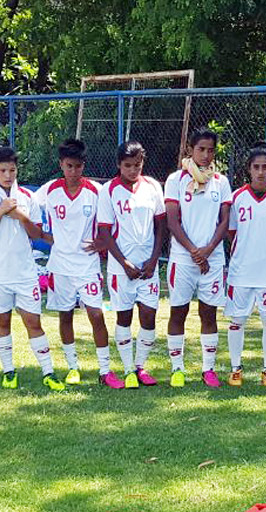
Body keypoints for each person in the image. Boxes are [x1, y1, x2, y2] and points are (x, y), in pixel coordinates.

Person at [0, 145, 63, 390]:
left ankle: (48, 372)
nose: (8, 175)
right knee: (2, 321)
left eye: (12, 170)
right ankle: (8, 371)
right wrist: (0, 213)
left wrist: (21, 215)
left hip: (25, 271)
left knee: (33, 321)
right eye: (3, 170)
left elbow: (37, 234)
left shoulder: (27, 196)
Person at [35, 139, 119, 388]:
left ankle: (105, 370)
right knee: (65, 316)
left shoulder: (97, 191)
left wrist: (103, 244)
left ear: (84, 166)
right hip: (60, 266)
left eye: (78, 166)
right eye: (69, 166)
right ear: (61, 165)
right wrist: (44, 236)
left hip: (87, 265)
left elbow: (115, 220)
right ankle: (73, 367)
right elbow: (27, 207)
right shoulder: (49, 190)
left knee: (96, 314)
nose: (74, 172)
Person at [164, 128, 232, 388]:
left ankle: (208, 369)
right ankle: (177, 369)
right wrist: (194, 251)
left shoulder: (221, 182)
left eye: (211, 150)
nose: (205, 155)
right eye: (201, 149)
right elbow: (172, 220)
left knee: (209, 313)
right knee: (178, 311)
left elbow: (224, 220)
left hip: (212, 259)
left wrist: (207, 250)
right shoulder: (176, 180)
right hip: (183, 259)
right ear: (190, 150)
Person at [96, 140, 167, 388]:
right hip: (120, 268)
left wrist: (154, 259)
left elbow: (161, 225)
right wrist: (124, 263)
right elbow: (104, 231)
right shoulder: (108, 191)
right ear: (119, 165)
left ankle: (141, 366)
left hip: (148, 266)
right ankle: (127, 370)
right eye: (127, 165)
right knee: (124, 317)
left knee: (149, 316)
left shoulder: (153, 188)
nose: (133, 170)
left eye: (137, 165)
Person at [224, 143, 266, 387]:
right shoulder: (237, 197)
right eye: (256, 167)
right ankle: (235, 368)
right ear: (248, 170)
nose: (260, 172)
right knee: (237, 320)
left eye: (265, 167)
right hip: (241, 271)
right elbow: (232, 232)